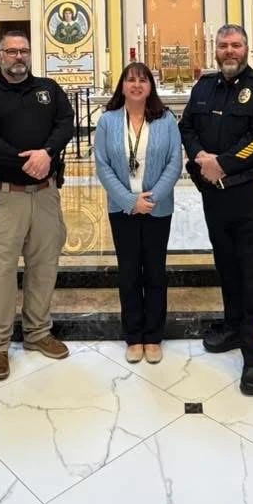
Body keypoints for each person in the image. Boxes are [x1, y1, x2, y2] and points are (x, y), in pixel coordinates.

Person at [179, 25, 253, 395]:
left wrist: (222, 161)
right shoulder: (204, 86)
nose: (229, 51)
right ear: (215, 49)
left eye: (235, 45)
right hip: (216, 195)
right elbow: (187, 126)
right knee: (227, 265)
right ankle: (235, 327)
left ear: (247, 48)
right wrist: (199, 157)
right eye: (223, 46)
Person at [0, 32, 75, 381]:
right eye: (11, 51)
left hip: (45, 194)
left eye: (23, 51)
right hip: (5, 195)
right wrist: (25, 160)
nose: (18, 56)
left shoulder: (48, 90)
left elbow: (65, 123)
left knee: (44, 265)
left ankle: (38, 333)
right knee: (0, 271)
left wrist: (47, 154)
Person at [93, 62, 183, 364]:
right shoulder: (108, 121)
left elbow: (174, 162)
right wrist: (130, 201)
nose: (136, 85)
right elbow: (102, 165)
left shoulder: (165, 119)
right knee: (129, 272)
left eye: (143, 80)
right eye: (130, 80)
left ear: (150, 87)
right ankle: (133, 336)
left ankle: (153, 336)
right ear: (122, 86)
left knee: (155, 271)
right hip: (122, 209)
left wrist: (152, 198)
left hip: (158, 209)